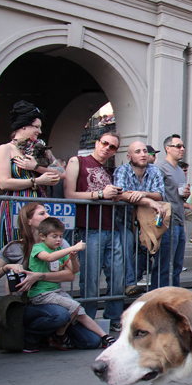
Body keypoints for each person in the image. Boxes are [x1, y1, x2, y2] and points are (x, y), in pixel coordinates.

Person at [0, 203, 103, 351]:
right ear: (28, 221)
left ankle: (52, 335)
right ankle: (30, 337)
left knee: (91, 341)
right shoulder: (14, 247)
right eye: (42, 213)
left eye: (47, 213)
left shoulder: (59, 243)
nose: (48, 216)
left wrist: (38, 276)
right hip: (27, 303)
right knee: (61, 315)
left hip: (52, 298)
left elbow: (70, 275)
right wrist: (5, 268)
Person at [64, 131, 125, 331]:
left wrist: (115, 196)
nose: (107, 148)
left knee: (118, 277)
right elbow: (69, 194)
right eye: (105, 143)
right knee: (90, 279)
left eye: (112, 147)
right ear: (97, 142)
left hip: (111, 227)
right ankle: (86, 320)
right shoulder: (77, 161)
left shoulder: (107, 171)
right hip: (90, 228)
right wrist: (100, 194)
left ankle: (113, 318)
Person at [26, 217, 115, 349]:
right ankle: (58, 335)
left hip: (55, 291)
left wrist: (73, 258)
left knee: (80, 311)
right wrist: (72, 248)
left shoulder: (59, 251)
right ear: (42, 236)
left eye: (61, 236)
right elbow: (49, 257)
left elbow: (75, 270)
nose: (58, 240)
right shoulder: (38, 248)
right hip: (41, 293)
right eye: (54, 236)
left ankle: (104, 336)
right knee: (73, 306)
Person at [0, 101, 62, 250]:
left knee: (41, 248)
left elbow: (62, 173)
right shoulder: (5, 149)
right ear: (23, 126)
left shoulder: (42, 149)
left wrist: (36, 167)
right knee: (17, 249)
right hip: (16, 208)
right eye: (36, 127)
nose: (39, 131)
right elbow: (4, 183)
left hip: (40, 208)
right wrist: (37, 181)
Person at [112, 141, 165, 295]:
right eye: (137, 151)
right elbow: (121, 194)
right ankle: (130, 283)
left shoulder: (154, 170)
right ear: (129, 156)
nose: (143, 154)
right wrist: (147, 200)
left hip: (145, 221)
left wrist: (142, 194)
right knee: (127, 243)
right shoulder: (122, 170)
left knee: (154, 245)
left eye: (144, 151)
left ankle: (156, 290)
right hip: (124, 219)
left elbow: (159, 194)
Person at [156, 134, 189, 288]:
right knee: (164, 265)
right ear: (167, 149)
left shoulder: (180, 171)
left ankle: (174, 297)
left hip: (179, 219)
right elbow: (156, 192)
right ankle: (159, 298)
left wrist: (185, 195)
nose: (182, 149)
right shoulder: (160, 167)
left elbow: (179, 195)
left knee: (176, 266)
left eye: (182, 146)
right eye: (178, 146)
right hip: (167, 220)